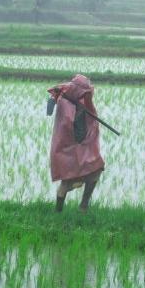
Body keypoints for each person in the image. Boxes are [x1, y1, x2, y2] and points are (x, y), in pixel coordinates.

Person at [47, 74, 105, 212]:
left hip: (79, 148)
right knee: (66, 182)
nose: (87, 94)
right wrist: (52, 101)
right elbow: (74, 130)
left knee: (96, 168)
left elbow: (88, 125)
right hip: (67, 148)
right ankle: (59, 212)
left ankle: (83, 206)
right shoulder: (64, 102)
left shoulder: (78, 99)